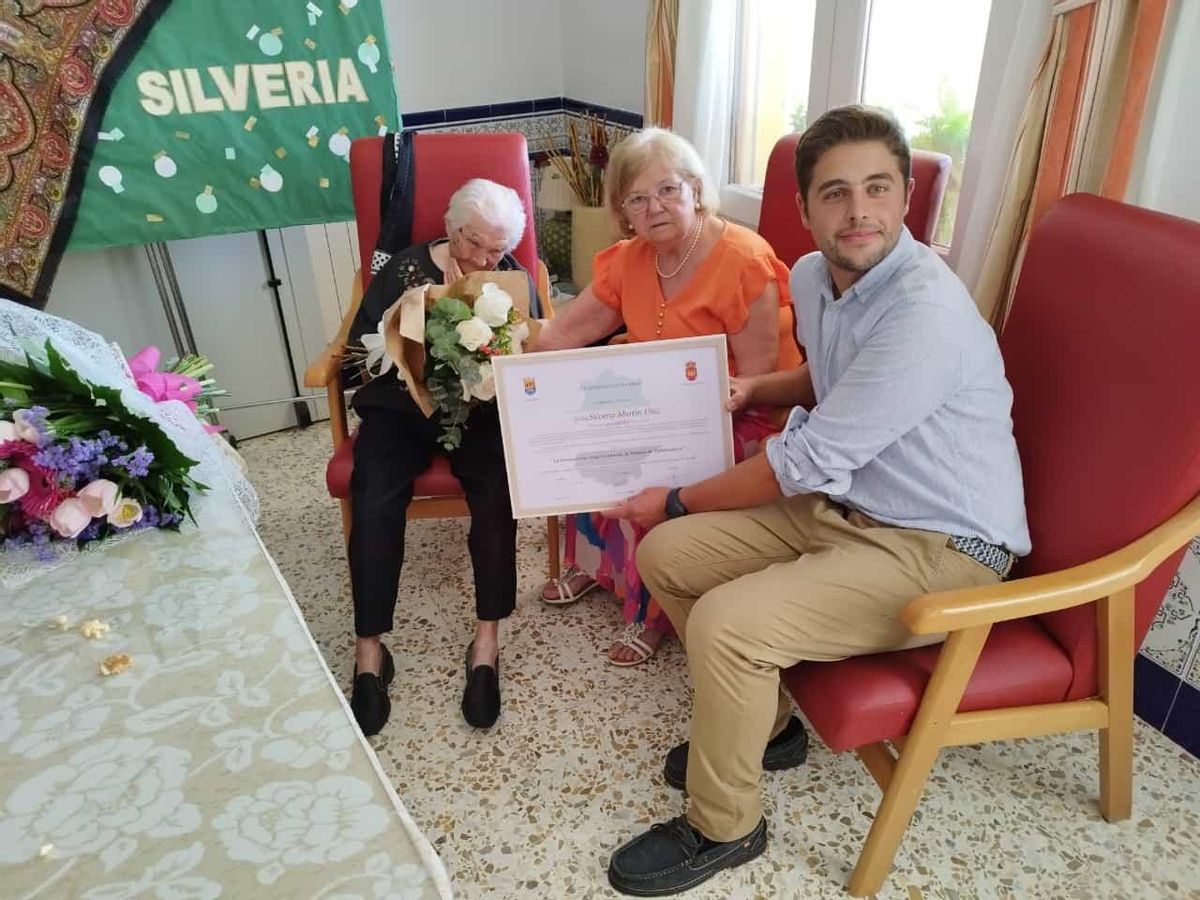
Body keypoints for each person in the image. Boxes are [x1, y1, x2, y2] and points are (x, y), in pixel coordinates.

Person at [598, 106, 1032, 896]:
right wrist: (755, 388)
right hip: (849, 507)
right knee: (668, 557)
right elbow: (829, 379)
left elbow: (798, 463)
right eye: (834, 194)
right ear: (803, 210)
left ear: (905, 199)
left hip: (940, 547)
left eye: (877, 188)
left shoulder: (922, 313)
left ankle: (724, 825)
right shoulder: (811, 276)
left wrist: (674, 497)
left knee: (728, 624)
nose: (857, 211)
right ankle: (767, 732)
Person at [532, 127, 803, 665]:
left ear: (695, 190)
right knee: (589, 429)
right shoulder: (630, 258)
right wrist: (510, 362)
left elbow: (758, 378)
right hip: (656, 400)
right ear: (622, 211)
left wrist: (669, 418)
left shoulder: (744, 261)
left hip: (740, 412)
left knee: (643, 458)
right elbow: (561, 335)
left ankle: (652, 614)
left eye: (668, 190)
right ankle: (598, 568)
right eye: (637, 198)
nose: (654, 207)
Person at [345, 178, 537, 736]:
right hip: (400, 409)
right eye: (471, 242)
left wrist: (493, 346)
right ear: (451, 229)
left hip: (477, 416)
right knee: (374, 493)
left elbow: (535, 345)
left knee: (498, 493)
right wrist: (417, 337)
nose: (481, 258)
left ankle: (486, 642)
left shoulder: (512, 279)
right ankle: (369, 651)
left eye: (494, 249)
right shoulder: (403, 269)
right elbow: (361, 349)